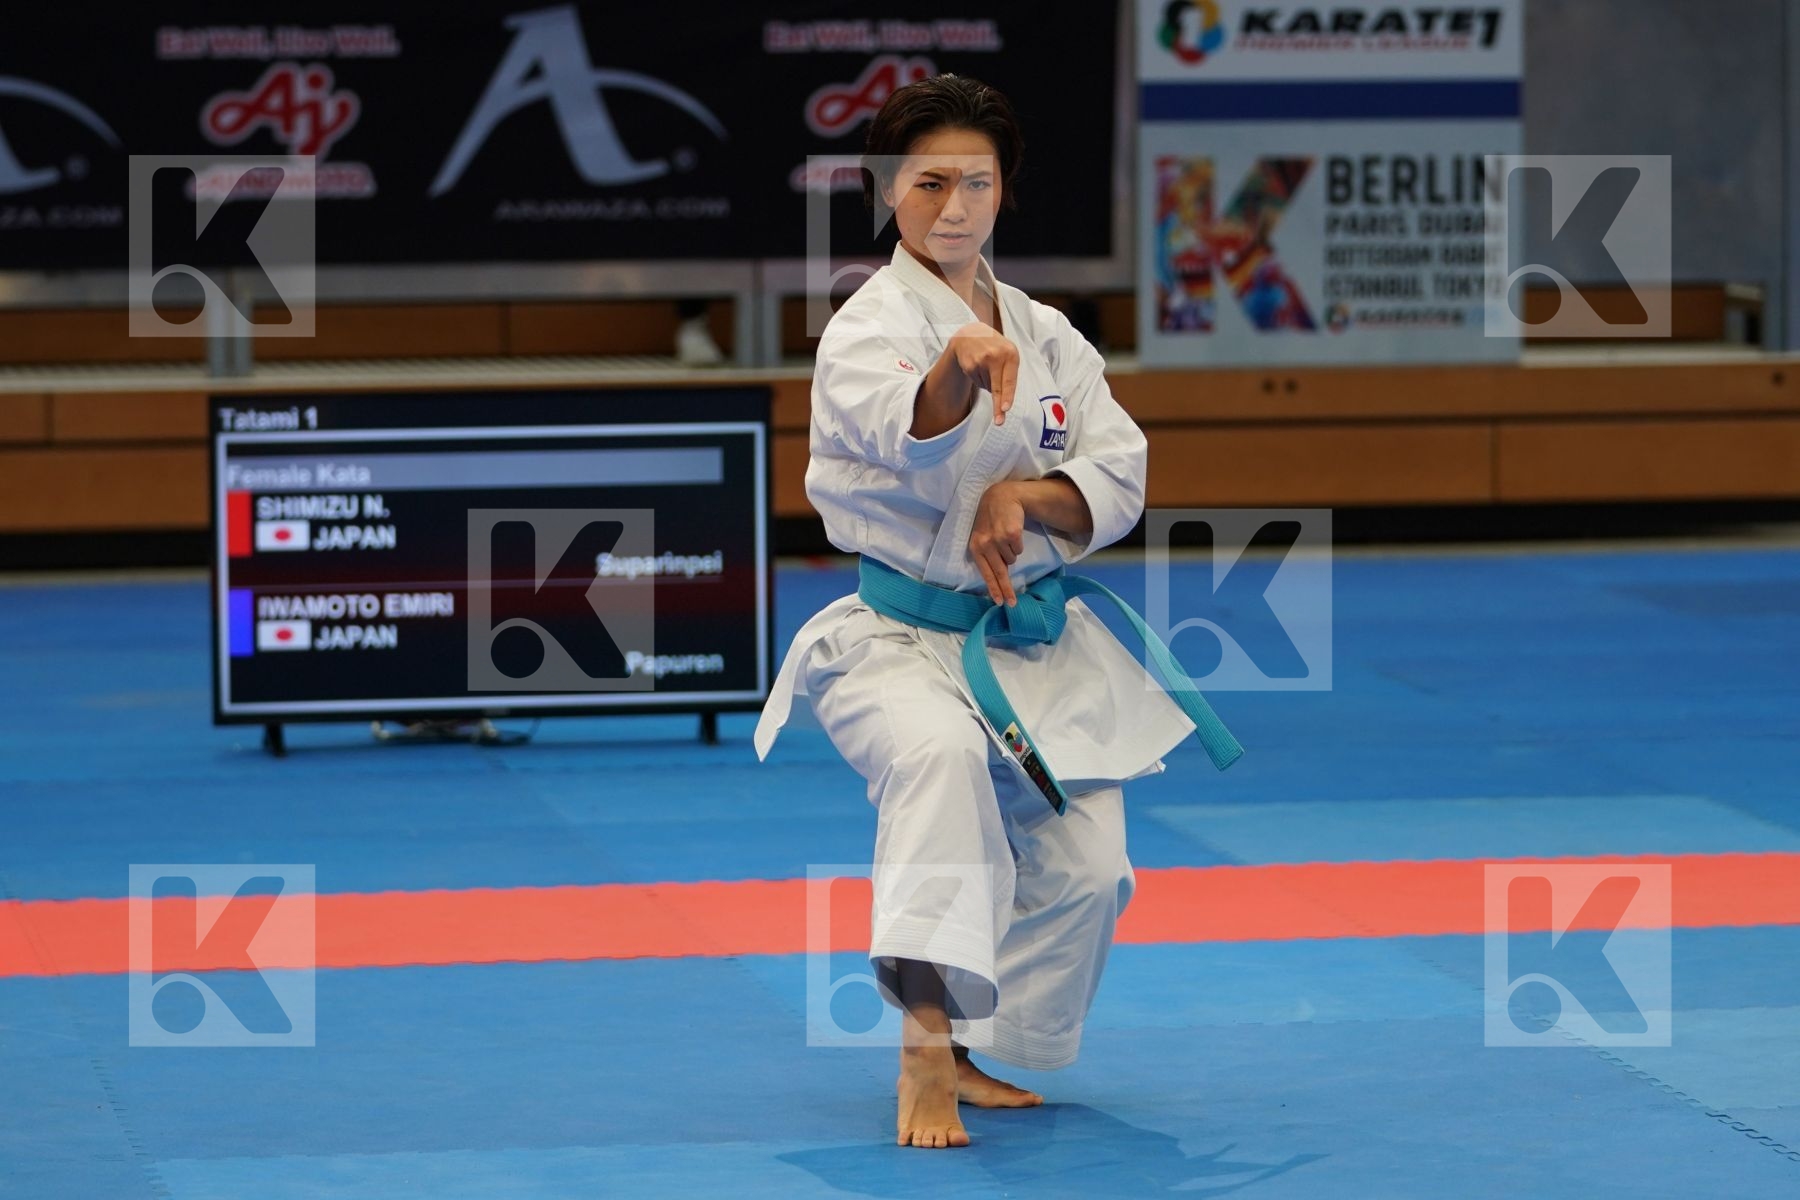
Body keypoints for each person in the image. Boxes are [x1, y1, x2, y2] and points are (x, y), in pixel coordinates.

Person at [753, 75, 1240, 1150]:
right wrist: (952, 373)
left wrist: (1026, 497)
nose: (955, 204)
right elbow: (900, 427)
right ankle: (923, 1053)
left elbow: (1122, 474)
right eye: (930, 182)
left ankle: (973, 1050)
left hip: (1025, 640)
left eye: (977, 181)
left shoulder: (1052, 335)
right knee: (940, 768)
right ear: (890, 191)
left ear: (1004, 190)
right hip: (893, 643)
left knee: (1088, 868)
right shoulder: (866, 329)